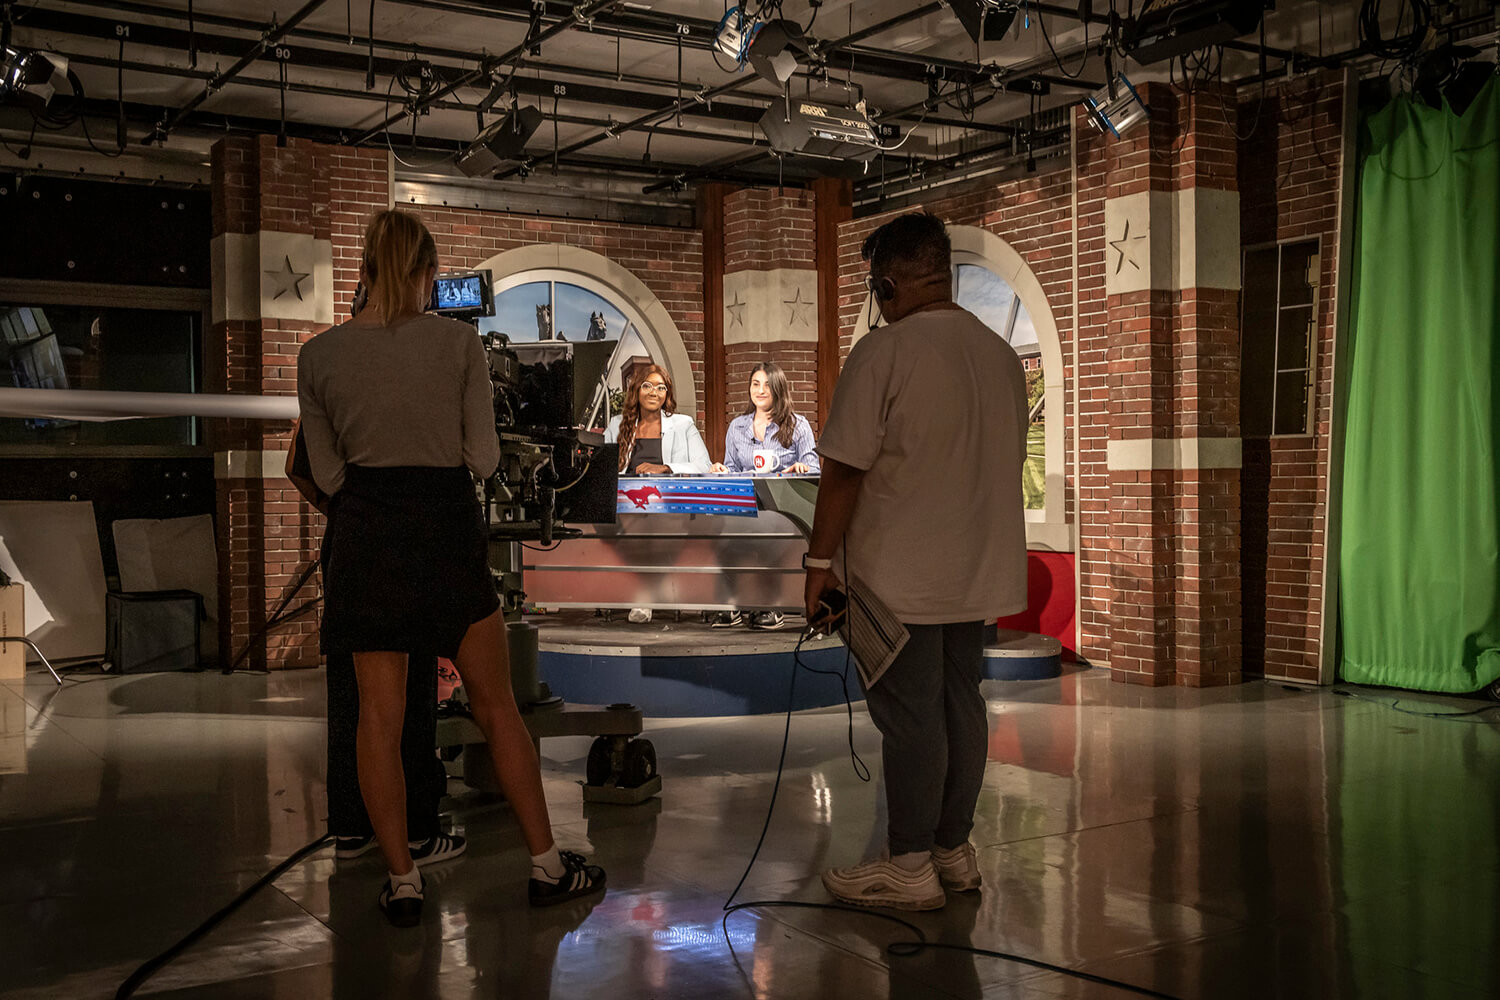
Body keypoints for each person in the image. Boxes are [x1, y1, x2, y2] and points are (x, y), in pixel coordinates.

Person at [298, 209, 605, 927]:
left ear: (367, 269)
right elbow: (485, 459)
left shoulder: (320, 357)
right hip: (443, 530)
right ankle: (547, 866)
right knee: (497, 705)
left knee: (378, 717)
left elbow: (326, 473)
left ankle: (402, 877)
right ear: (427, 273)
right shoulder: (458, 347)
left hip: (368, 533)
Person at [803, 212, 1028, 911]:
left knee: (910, 720)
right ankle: (951, 851)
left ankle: (906, 863)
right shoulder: (998, 355)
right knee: (962, 707)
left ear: (888, 282)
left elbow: (841, 473)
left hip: (899, 576)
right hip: (978, 570)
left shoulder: (885, 352)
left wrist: (817, 566)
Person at [710, 359, 820, 631]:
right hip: (746, 504)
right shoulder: (737, 426)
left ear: (779, 389)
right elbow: (733, 467)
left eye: (767, 386)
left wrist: (801, 467)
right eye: (755, 384)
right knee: (721, 537)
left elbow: (814, 467)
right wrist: (721, 469)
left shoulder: (798, 424)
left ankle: (769, 605)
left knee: (769, 537)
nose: (760, 390)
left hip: (782, 507)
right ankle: (730, 606)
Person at [603, 364, 711, 623]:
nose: (654, 392)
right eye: (648, 386)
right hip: (626, 507)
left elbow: (703, 465)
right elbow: (603, 468)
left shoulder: (683, 424)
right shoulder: (617, 425)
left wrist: (665, 468)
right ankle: (646, 587)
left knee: (650, 523)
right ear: (636, 390)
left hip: (669, 506)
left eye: (661, 387)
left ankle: (645, 592)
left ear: (667, 393)